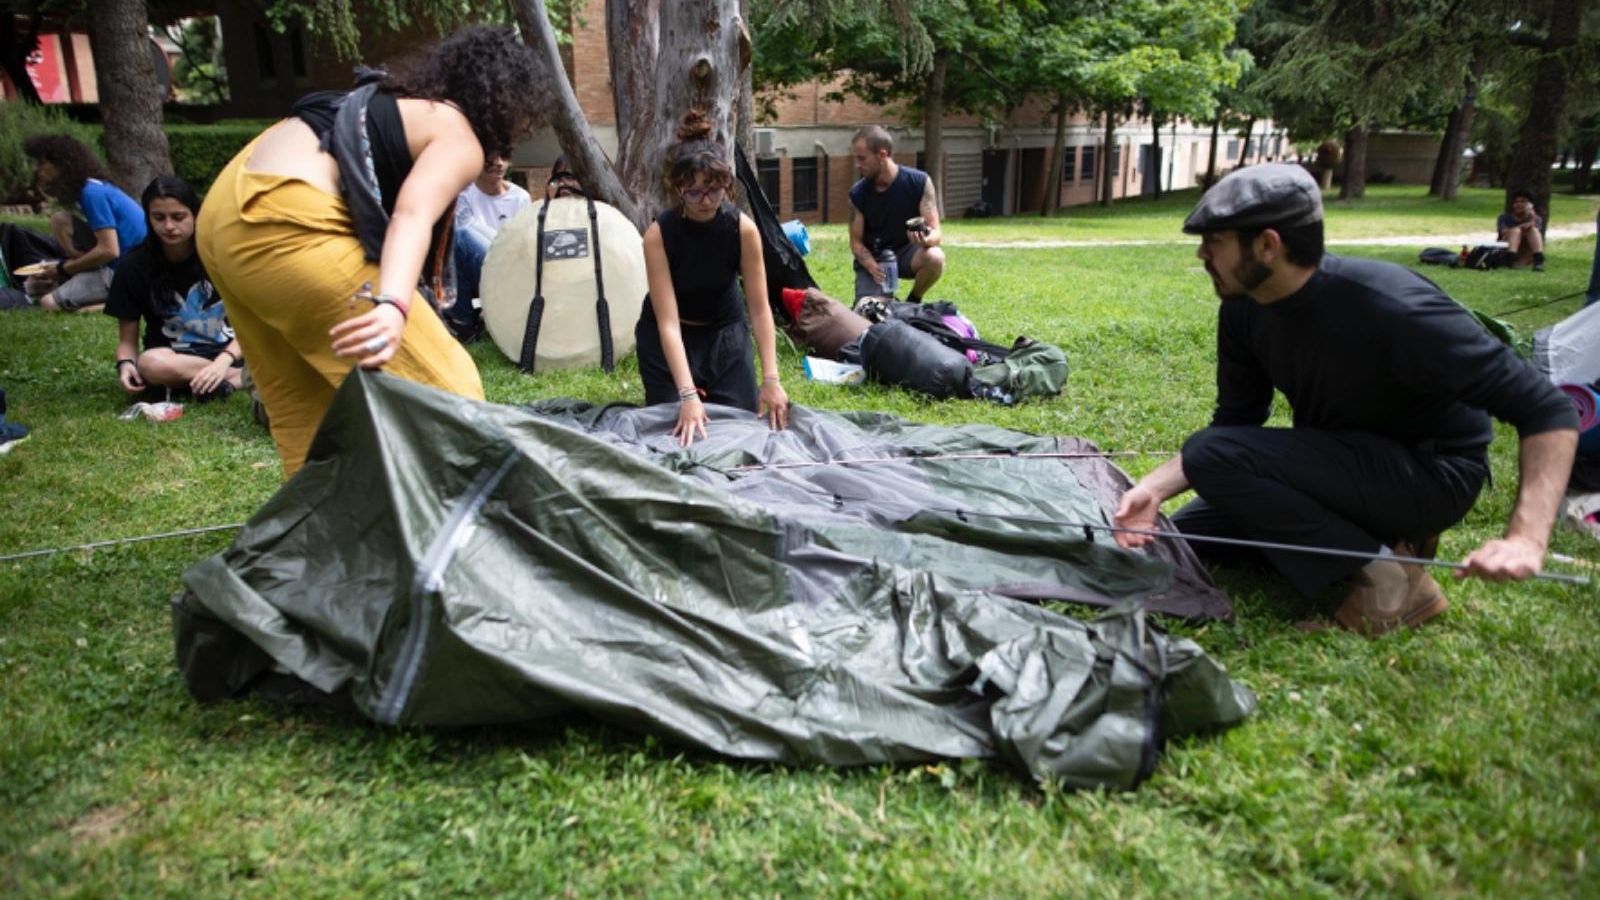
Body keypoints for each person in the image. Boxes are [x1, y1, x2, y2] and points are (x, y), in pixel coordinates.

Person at [1112, 163, 1578, 635]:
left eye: (1214, 242)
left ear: (1268, 246)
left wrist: (1525, 539)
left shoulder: (1392, 306)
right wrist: (1152, 489)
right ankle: (1379, 541)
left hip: (1431, 475)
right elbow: (1236, 421)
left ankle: (1392, 582)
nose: (1201, 254)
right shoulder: (1243, 308)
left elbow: (1547, 409)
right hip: (1345, 463)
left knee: (1209, 458)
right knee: (1188, 537)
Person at [195, 26, 549, 476]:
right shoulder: (460, 133)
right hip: (284, 219)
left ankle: (321, 538)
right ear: (506, 100)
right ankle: (475, 534)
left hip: (220, 216)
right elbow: (412, 214)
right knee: (451, 397)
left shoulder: (397, 99)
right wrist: (393, 305)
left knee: (305, 412)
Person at [636, 110, 789, 447]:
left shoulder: (743, 229)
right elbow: (668, 323)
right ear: (678, 189)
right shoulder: (659, 235)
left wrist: (771, 378)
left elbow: (760, 308)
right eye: (694, 193)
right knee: (671, 430)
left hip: (724, 333)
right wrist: (688, 395)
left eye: (714, 190)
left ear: (727, 187)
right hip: (672, 336)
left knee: (740, 428)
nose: (705, 201)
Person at [105, 176, 243, 401]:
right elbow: (127, 341)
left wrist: (223, 361)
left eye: (178, 217)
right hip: (171, 357)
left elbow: (251, 327)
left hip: (231, 352)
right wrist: (126, 364)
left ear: (196, 215)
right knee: (149, 364)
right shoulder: (133, 266)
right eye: (158, 218)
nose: (168, 226)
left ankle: (217, 379)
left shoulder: (222, 256)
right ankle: (239, 378)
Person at [14, 135, 146, 312]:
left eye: (42, 163)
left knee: (48, 303)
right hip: (125, 260)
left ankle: (123, 301)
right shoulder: (93, 188)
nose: (38, 170)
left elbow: (109, 250)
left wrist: (64, 269)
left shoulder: (92, 193)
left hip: (127, 270)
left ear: (62, 165)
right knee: (60, 219)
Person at [848, 125, 944, 302]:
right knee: (870, 312)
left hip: (906, 254)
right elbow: (856, 242)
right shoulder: (858, 193)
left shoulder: (919, 182)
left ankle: (914, 300)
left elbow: (936, 233)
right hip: (875, 257)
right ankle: (882, 299)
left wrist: (926, 239)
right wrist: (871, 266)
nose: (857, 165)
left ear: (882, 155)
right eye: (856, 159)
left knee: (935, 257)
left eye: (862, 159)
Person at [449, 148, 532, 339]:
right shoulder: (464, 195)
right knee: (458, 239)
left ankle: (466, 320)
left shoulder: (520, 197)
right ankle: (463, 323)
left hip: (511, 270)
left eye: (504, 157)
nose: (499, 163)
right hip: (478, 265)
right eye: (492, 157)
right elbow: (465, 237)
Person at [1498, 190, 1545, 271]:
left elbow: (1536, 233)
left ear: (1530, 205)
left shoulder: (1536, 218)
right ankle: (1511, 259)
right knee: (1515, 231)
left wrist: (1532, 218)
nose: (1519, 204)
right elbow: (1504, 233)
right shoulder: (1504, 218)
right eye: (1516, 202)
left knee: (1533, 230)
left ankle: (1538, 260)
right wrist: (1521, 227)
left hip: (1526, 251)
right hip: (1507, 247)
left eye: (1523, 202)